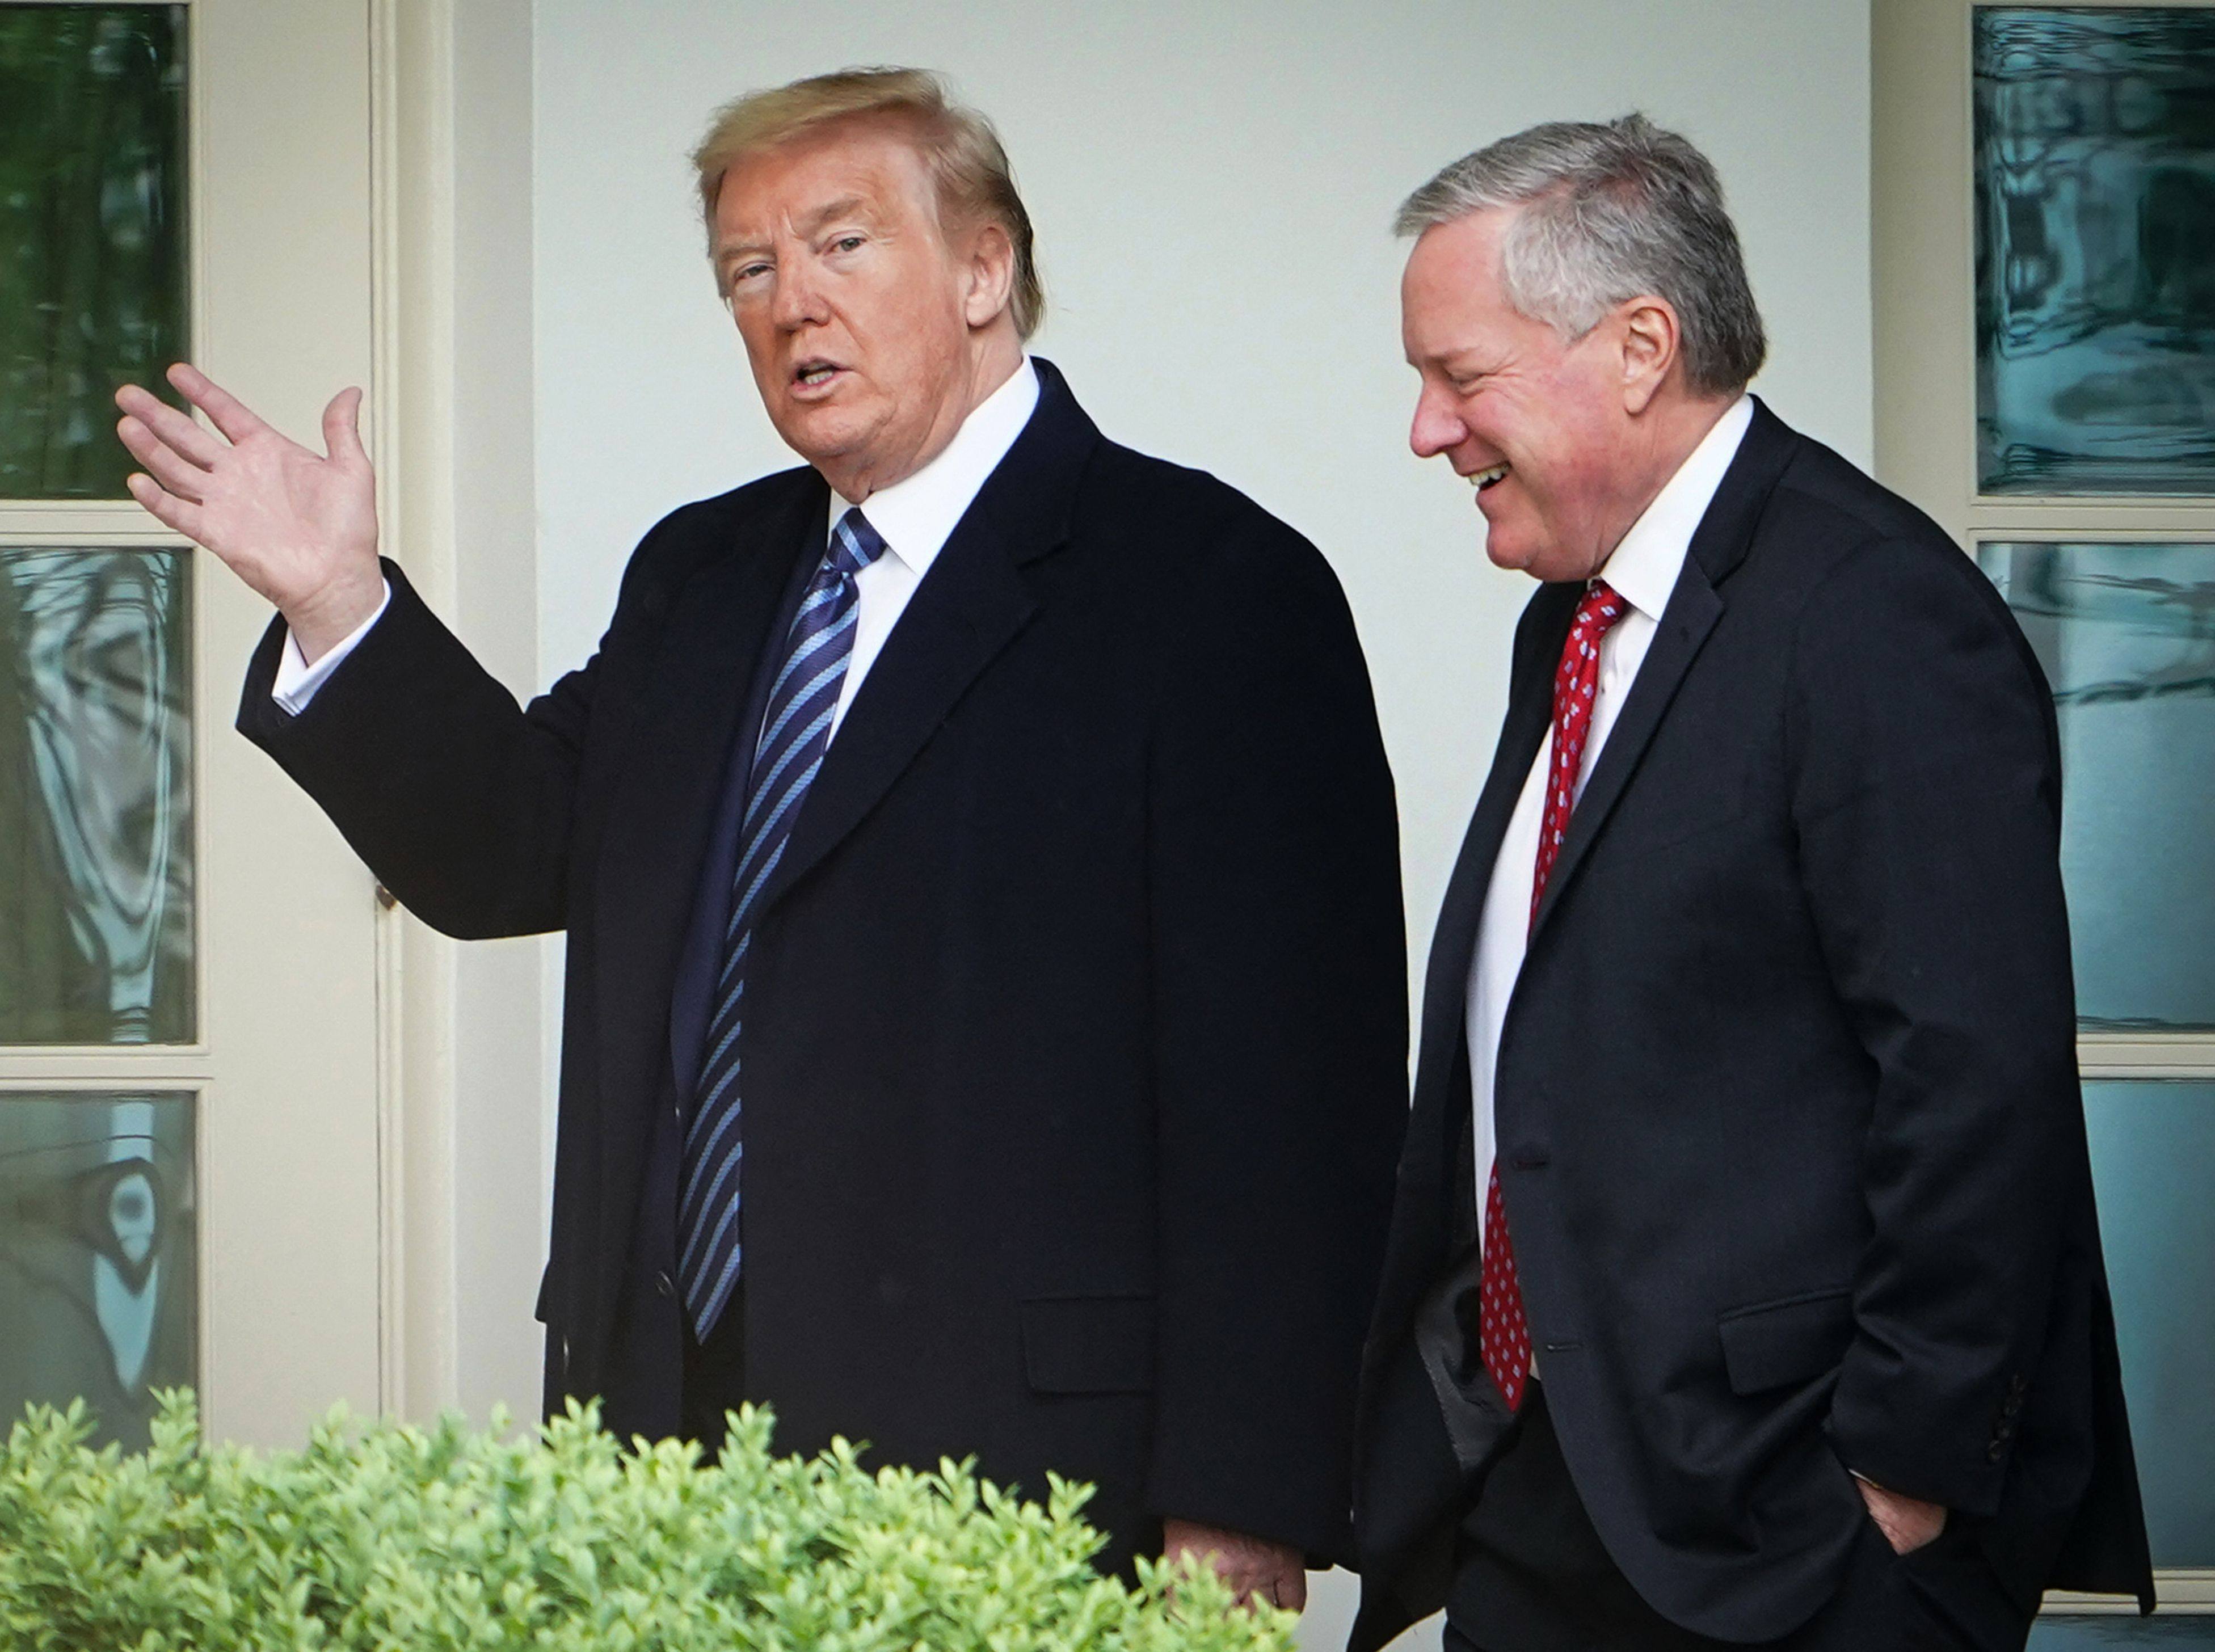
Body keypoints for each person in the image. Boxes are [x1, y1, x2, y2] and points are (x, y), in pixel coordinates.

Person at [114, 68, 1408, 1607]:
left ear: (986, 269)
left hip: (1033, 1484)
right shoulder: (703, 575)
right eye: (748, 268)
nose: (791, 301)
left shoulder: (1212, 590)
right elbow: (511, 851)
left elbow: (1291, 1104)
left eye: (843, 245)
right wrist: (337, 602)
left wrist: (1242, 1506)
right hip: (668, 1446)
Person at [1350, 115, 2153, 1652]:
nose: (1428, 430)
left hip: (1789, 1532)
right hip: (1556, 1483)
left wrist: (1896, 1473)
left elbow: (1975, 1077)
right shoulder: (1578, 622)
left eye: (1460, 375)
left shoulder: (1874, 614)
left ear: (1641, 345)